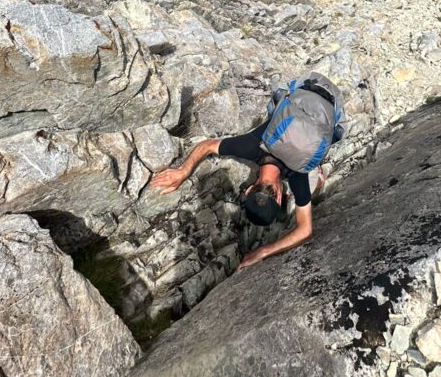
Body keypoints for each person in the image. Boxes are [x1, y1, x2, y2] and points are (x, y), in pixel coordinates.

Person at [148, 74, 345, 270]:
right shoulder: (250, 146)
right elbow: (207, 146)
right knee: (275, 107)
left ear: (279, 198)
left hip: (335, 99)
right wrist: (183, 172)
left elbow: (305, 230)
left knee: (327, 142)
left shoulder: (298, 174)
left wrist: (263, 252)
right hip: (309, 81)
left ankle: (317, 165)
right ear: (249, 189)